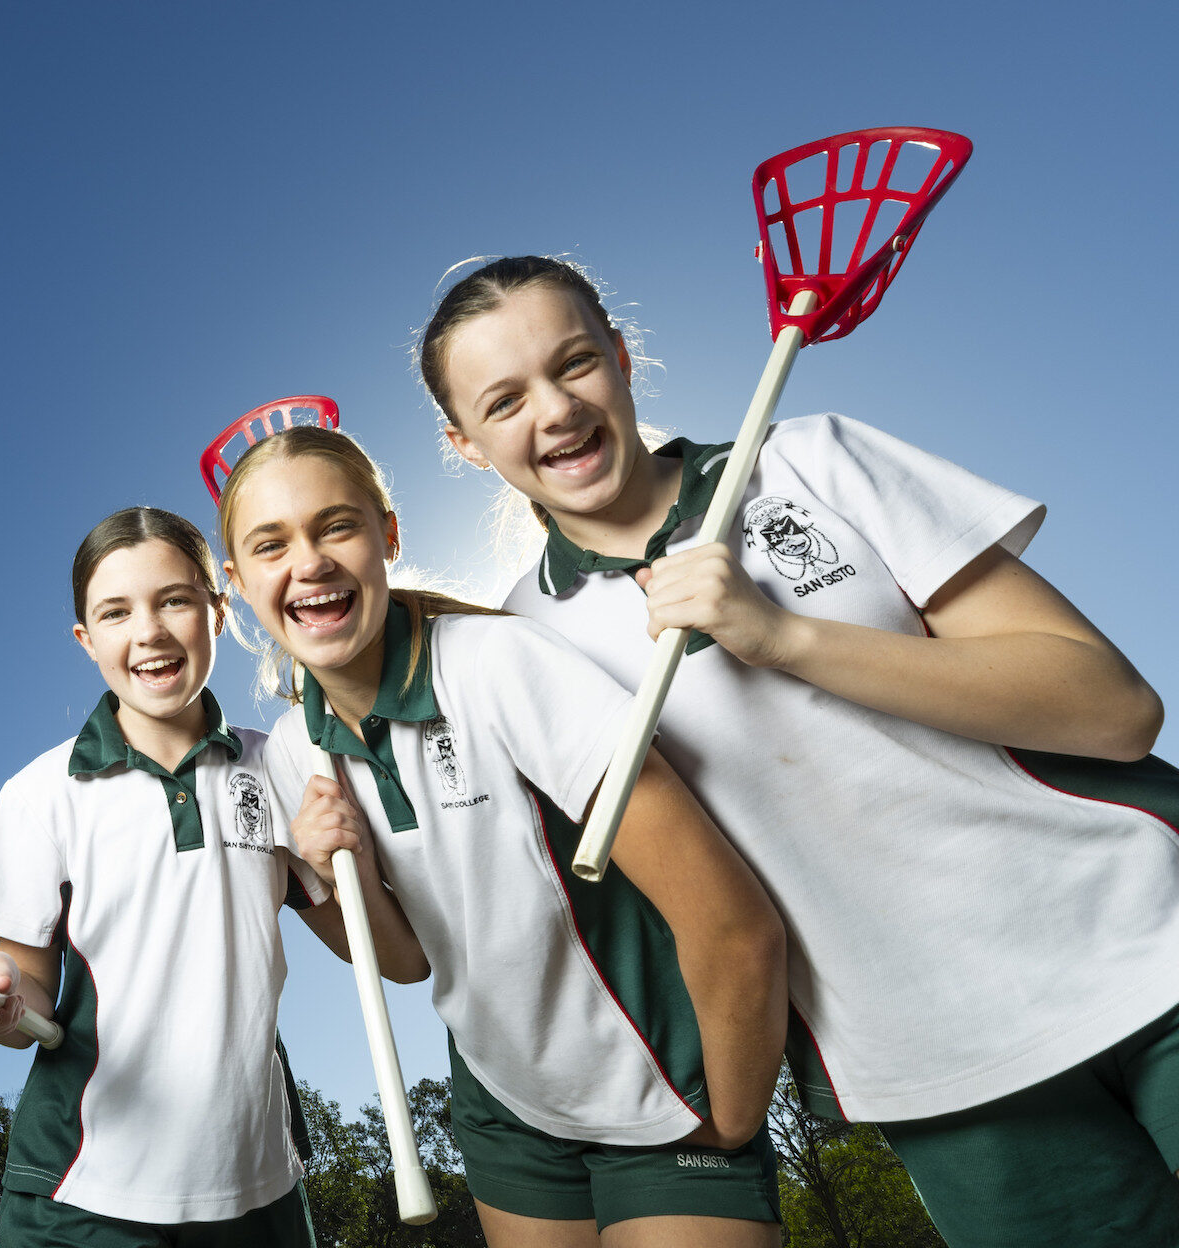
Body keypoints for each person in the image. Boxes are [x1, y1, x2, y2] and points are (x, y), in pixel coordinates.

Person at [417, 254, 1179, 1247]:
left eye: (575, 363)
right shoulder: (526, 642)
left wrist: (785, 636)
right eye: (505, 400)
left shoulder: (814, 461)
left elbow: (1114, 707)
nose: (556, 410)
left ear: (623, 357)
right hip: (933, 1064)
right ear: (466, 443)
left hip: (1148, 934)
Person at [218, 426, 790, 1247]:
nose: (308, 564)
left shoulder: (499, 663)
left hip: (661, 1083)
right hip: (507, 1105)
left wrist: (733, 1117)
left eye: (336, 526)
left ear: (388, 534)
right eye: (271, 545)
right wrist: (344, 868)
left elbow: (735, 926)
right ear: (238, 582)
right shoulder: (292, 752)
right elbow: (407, 963)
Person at [0, 506, 329, 1248]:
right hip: (81, 1191)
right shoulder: (38, 794)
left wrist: (349, 857)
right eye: (116, 612)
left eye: (174, 600)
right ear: (87, 640)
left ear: (219, 610)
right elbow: (28, 991)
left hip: (258, 1184)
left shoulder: (279, 765)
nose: (148, 632)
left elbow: (369, 946)